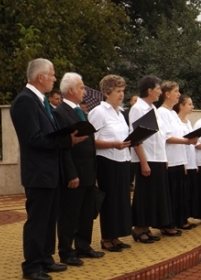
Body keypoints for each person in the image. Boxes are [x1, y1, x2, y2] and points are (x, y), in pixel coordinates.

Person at [10, 58, 86, 280]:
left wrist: (66, 137)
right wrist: (66, 141)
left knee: (50, 218)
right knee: (38, 220)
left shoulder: (41, 100)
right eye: (52, 75)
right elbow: (33, 138)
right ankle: (32, 265)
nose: (54, 79)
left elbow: (47, 133)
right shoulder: (25, 101)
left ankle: (45, 258)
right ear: (40, 76)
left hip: (51, 171)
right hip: (38, 172)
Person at [53, 73, 104, 266]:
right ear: (72, 89)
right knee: (69, 214)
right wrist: (71, 173)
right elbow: (64, 147)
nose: (84, 91)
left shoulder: (81, 111)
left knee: (85, 212)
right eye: (82, 88)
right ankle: (66, 251)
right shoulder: (60, 113)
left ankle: (83, 246)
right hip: (75, 171)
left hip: (88, 170)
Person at [130, 75, 179, 241]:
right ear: (149, 90)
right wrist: (144, 162)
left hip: (157, 157)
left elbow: (160, 136)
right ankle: (139, 228)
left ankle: (146, 226)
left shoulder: (153, 109)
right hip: (146, 158)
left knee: (153, 195)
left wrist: (164, 158)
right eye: (158, 89)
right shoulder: (138, 108)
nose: (160, 91)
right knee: (144, 194)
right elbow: (136, 137)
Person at [88, 75, 133, 252]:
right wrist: (113, 144)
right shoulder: (99, 112)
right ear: (107, 93)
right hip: (107, 161)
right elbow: (91, 140)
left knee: (121, 200)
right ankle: (106, 238)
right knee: (110, 201)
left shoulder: (120, 113)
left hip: (123, 159)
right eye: (118, 91)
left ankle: (116, 235)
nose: (122, 95)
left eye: (123, 91)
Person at [157, 82, 197, 231]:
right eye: (176, 91)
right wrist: (187, 141)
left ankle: (180, 220)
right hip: (170, 159)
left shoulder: (173, 114)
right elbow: (167, 137)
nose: (179, 94)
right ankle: (168, 224)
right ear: (167, 94)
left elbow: (180, 134)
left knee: (180, 193)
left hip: (180, 158)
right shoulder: (161, 112)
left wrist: (190, 140)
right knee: (171, 194)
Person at [175, 95, 200, 222]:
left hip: (191, 161)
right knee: (182, 192)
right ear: (181, 105)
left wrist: (195, 162)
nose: (192, 107)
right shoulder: (176, 121)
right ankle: (181, 219)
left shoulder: (188, 122)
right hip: (182, 160)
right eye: (189, 104)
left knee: (190, 191)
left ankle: (186, 217)